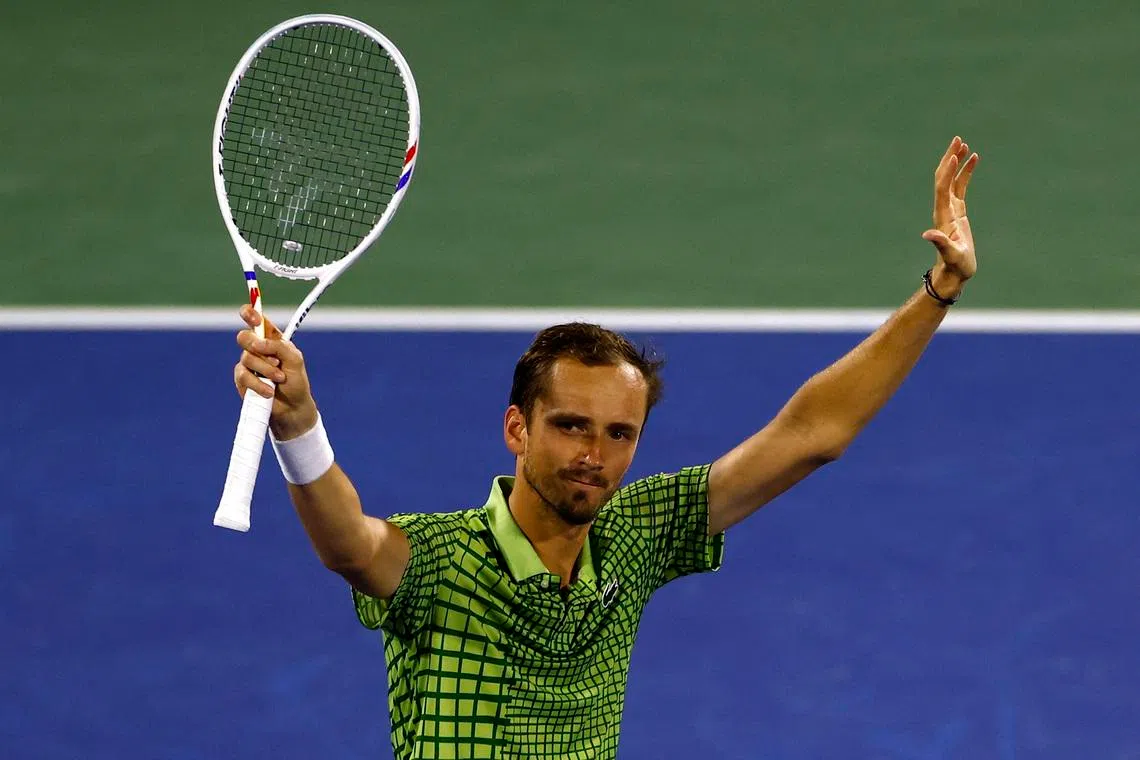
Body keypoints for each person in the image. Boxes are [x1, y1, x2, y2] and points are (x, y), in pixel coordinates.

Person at [232, 136, 980, 758]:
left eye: (619, 433)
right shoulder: (438, 564)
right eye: (570, 425)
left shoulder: (635, 539)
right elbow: (348, 546)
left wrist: (938, 291)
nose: (595, 452)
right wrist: (299, 424)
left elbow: (813, 435)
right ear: (517, 429)